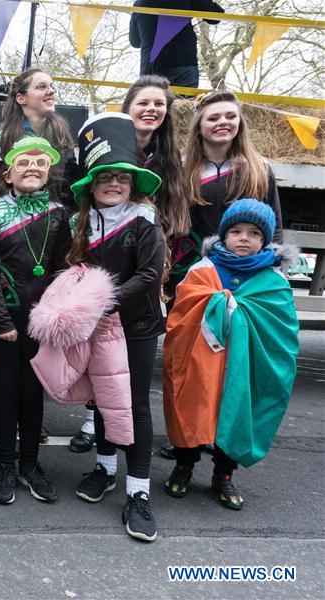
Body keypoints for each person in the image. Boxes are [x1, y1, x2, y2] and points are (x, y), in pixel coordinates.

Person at [163, 199, 298, 510]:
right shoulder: (204, 269)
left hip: (245, 363)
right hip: (200, 359)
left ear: (265, 240)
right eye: (235, 231)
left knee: (238, 410)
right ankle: (184, 464)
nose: (243, 238)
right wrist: (215, 304)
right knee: (192, 404)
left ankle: (223, 474)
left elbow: (281, 329)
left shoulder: (273, 280)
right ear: (223, 236)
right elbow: (181, 314)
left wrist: (238, 313)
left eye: (253, 233)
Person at [68, 113, 166, 542]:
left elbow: (149, 274)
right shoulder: (80, 223)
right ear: (92, 183)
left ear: (133, 182)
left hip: (138, 325)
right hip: (97, 328)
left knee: (135, 404)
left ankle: (138, 492)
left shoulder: (144, 220)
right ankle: (105, 469)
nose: (113, 184)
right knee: (103, 400)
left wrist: (103, 301)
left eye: (121, 178)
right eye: (104, 176)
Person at [0, 136, 71, 505]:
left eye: (40, 163)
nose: (32, 168)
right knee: (5, 390)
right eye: (24, 163)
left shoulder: (58, 212)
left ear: (48, 172)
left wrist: (56, 315)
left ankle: (30, 465)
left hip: (41, 320)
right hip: (2, 316)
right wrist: (0, 318)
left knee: (33, 392)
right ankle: (4, 464)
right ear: (8, 171)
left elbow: (64, 267)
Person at [174, 90, 283, 283]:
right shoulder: (181, 169)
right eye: (213, 118)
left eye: (231, 116)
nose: (223, 122)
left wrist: (275, 266)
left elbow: (274, 225)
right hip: (190, 270)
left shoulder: (259, 169)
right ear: (199, 126)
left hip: (244, 270)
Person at [0, 68, 76, 207]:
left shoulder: (62, 137)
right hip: (9, 222)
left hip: (54, 220)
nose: (51, 91)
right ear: (21, 98)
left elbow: (70, 187)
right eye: (42, 86)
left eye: (52, 86)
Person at [129, 1, 224, 89]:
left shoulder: (139, 3)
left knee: (154, 105)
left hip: (150, 68)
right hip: (182, 64)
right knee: (183, 105)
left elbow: (135, 42)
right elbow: (216, 16)